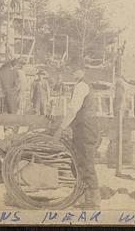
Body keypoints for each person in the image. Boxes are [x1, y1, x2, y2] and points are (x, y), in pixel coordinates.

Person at [53, 64, 100, 209]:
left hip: (85, 129)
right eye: (72, 69)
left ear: (83, 70)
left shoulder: (81, 86)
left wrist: (61, 128)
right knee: (78, 163)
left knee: (86, 163)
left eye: (76, 69)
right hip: (84, 127)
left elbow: (73, 109)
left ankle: (93, 200)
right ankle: (85, 197)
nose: (73, 72)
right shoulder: (84, 84)